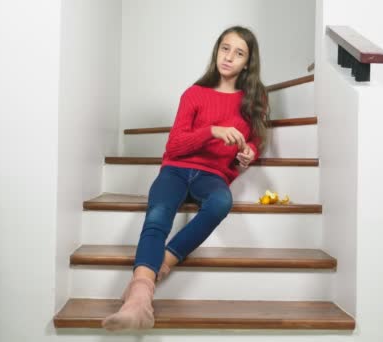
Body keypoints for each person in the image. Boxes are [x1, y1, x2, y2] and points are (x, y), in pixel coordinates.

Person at [101, 25, 270, 331]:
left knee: (221, 202)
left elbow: (256, 139)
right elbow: (174, 145)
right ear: (216, 51)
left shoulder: (253, 101)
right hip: (176, 169)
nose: (229, 57)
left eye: (239, 53)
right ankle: (138, 301)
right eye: (225, 48)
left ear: (248, 62)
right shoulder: (194, 94)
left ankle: (156, 270)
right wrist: (212, 131)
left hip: (212, 175)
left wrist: (249, 153)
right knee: (157, 217)